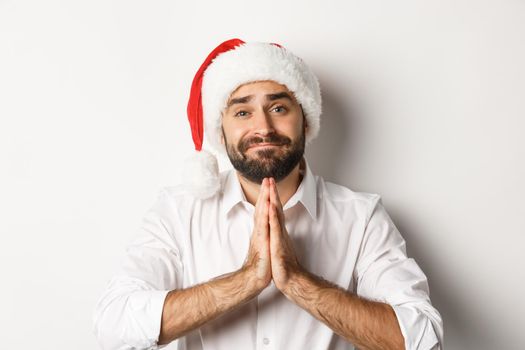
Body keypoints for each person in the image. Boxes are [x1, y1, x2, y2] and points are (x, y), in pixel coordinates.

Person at [93, 38, 443, 350]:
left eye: (278, 108)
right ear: (221, 130)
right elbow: (113, 326)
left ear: (306, 120)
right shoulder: (179, 210)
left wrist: (299, 282)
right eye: (243, 112)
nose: (262, 127)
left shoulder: (362, 217)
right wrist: (245, 280)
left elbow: (422, 340)